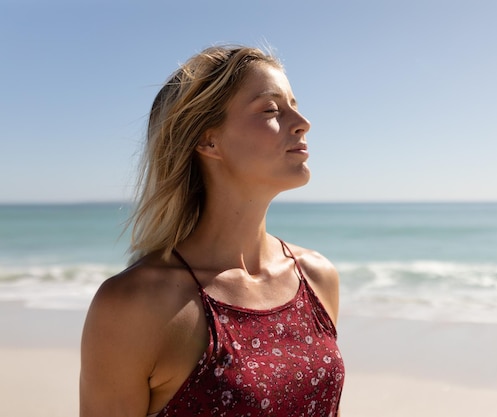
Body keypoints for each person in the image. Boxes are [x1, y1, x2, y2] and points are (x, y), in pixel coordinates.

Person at [80, 45, 344, 417]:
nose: (302, 121)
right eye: (271, 109)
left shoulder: (316, 277)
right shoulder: (135, 305)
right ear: (208, 141)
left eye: (294, 104)